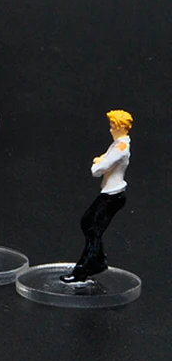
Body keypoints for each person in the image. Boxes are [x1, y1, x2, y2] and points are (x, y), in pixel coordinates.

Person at [61, 110, 133, 283]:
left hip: (113, 195)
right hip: (109, 193)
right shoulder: (117, 144)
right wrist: (101, 160)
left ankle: (84, 269)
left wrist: (98, 163)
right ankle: (97, 261)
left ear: (121, 127)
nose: (110, 130)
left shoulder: (121, 147)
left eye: (113, 127)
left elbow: (98, 169)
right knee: (88, 224)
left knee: (93, 229)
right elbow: (105, 159)